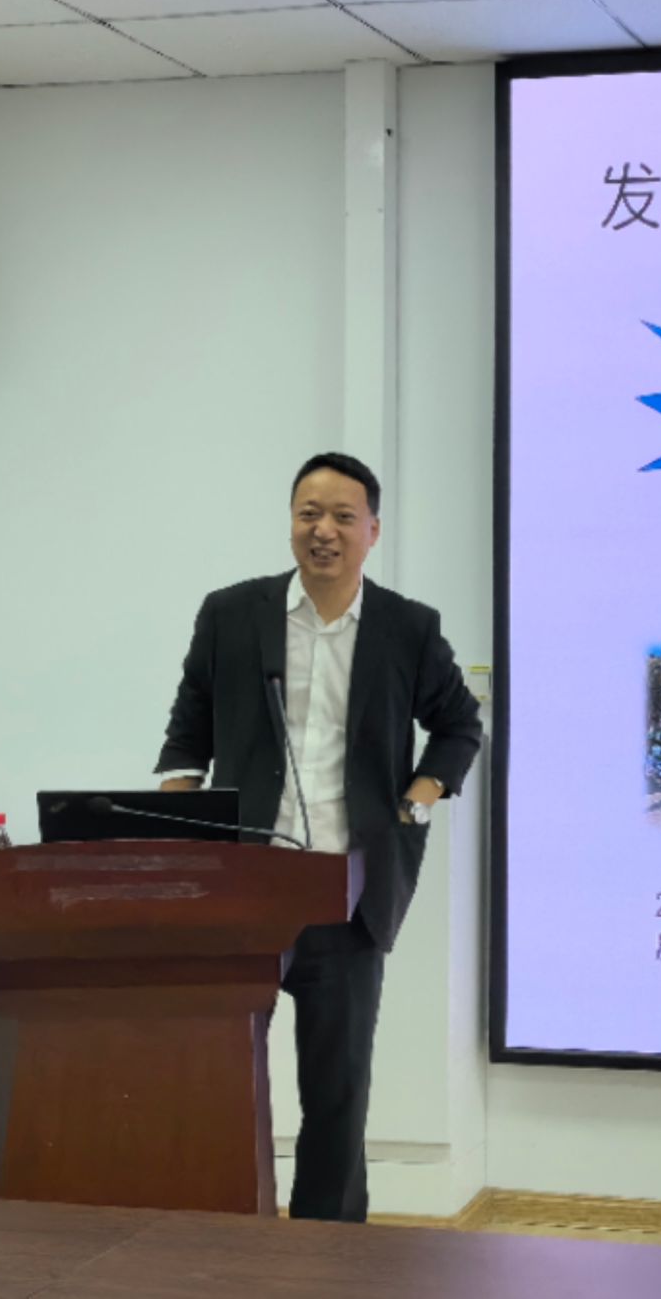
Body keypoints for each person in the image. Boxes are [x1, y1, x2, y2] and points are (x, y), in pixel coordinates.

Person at [153, 452, 483, 1223]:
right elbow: (189, 726)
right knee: (221, 1076)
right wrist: (176, 831)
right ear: (291, 522)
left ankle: (326, 1251)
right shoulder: (233, 614)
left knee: (337, 1088)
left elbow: (459, 724)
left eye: (342, 516)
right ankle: (226, 1231)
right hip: (244, 886)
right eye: (309, 513)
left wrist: (415, 802)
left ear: (373, 531)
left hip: (347, 889)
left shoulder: (407, 626)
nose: (323, 530)